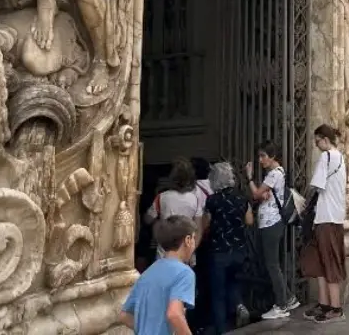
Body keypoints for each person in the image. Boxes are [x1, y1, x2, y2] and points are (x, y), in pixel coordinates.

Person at [299, 124, 348, 323]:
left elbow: (316, 186)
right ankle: (325, 303)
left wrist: (301, 203)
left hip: (326, 218)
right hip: (331, 217)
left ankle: (336, 308)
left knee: (328, 261)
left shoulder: (326, 157)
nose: (315, 144)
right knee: (320, 261)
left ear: (324, 139)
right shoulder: (341, 158)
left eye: (317, 140)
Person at [120, 216, 197, 335]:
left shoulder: (148, 272)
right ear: (187, 240)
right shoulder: (184, 273)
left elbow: (124, 315)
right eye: (194, 238)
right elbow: (174, 314)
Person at [246, 142, 297, 320]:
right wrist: (262, 194)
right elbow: (263, 195)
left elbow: (255, 194)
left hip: (271, 223)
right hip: (271, 222)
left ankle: (281, 305)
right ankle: (288, 298)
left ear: (272, 156)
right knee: (272, 263)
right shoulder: (277, 174)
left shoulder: (274, 174)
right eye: (259, 156)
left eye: (263, 156)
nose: (260, 160)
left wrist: (250, 179)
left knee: (272, 265)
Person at [200, 162, 251, 334]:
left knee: (218, 293)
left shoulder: (212, 200)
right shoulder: (242, 197)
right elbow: (250, 221)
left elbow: (204, 225)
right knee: (233, 281)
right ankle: (239, 305)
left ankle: (222, 329)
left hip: (219, 252)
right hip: (239, 251)